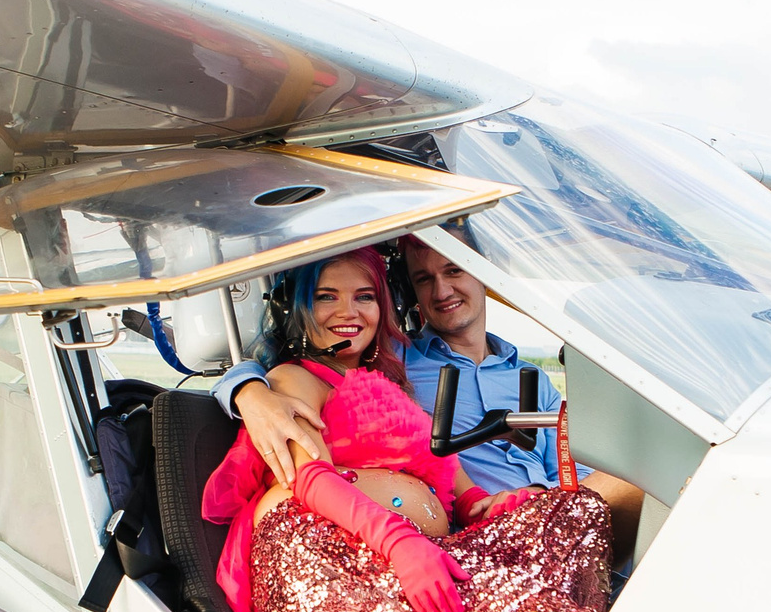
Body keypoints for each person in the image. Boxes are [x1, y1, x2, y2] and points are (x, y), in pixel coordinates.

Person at [199, 247, 612, 612]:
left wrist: (480, 504)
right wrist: (401, 544)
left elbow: (447, 471)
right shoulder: (295, 377)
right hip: (325, 558)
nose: (348, 311)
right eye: (326, 297)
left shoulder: (387, 381)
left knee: (580, 509)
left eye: (364, 297)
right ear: (294, 307)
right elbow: (310, 478)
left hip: (407, 548)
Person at [216, 234, 646, 561]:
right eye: (425, 279)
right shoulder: (391, 362)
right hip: (465, 536)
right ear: (411, 295)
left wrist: (536, 502)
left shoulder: (532, 379)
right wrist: (247, 392)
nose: (442, 291)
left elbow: (575, 475)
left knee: (654, 479)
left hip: (538, 518)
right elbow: (291, 365)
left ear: (485, 277)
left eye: (454, 271)